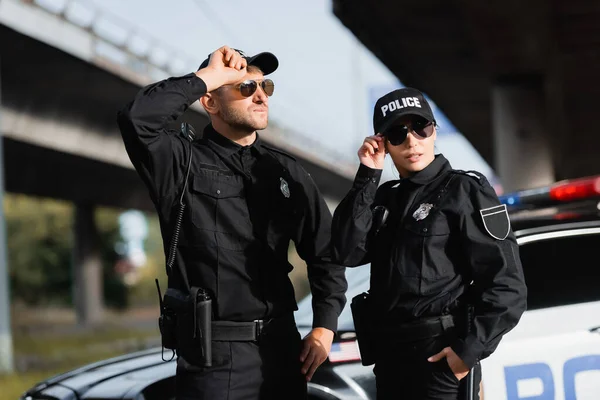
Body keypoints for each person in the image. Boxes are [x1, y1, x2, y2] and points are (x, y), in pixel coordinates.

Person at [117, 46, 347, 400]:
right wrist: (208, 77)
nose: (259, 95)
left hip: (284, 351)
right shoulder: (180, 163)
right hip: (213, 359)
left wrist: (324, 327)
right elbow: (138, 119)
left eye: (264, 87)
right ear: (210, 102)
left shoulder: (287, 171)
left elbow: (325, 253)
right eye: (243, 87)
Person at [331, 87, 527, 399]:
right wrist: (367, 176)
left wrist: (468, 352)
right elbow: (345, 251)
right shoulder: (384, 198)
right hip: (390, 361)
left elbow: (507, 284)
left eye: (420, 128)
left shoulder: (465, 191)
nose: (411, 141)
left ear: (433, 131)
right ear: (382, 143)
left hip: (440, 359)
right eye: (397, 133)